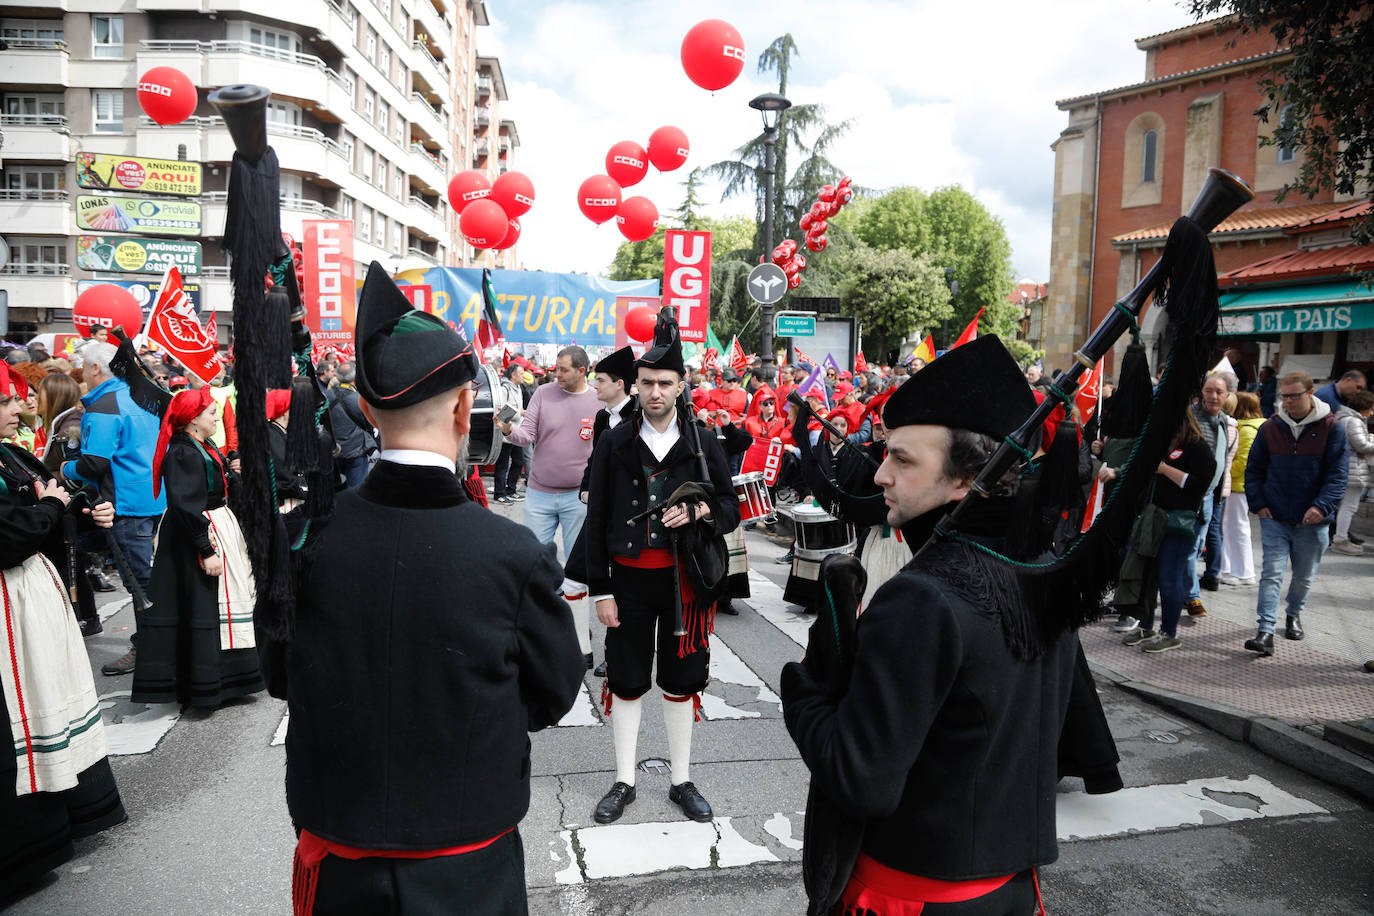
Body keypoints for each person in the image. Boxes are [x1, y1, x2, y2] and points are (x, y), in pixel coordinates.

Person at [281, 263, 584, 915]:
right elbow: (555, 691)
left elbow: (281, 673)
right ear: (461, 406)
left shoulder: (307, 541)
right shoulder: (511, 554)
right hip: (467, 864)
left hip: (339, 854)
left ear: (364, 410)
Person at [781, 336, 1078, 914]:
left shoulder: (922, 596)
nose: (880, 476)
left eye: (904, 459)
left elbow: (859, 777)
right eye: (887, 453)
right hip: (1011, 888)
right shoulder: (1041, 567)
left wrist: (807, 687)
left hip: (911, 894)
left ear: (967, 479)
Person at [584, 313, 739, 826]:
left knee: (680, 680)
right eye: (647, 383)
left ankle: (680, 779)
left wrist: (699, 511)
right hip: (627, 580)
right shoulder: (614, 440)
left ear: (680, 385)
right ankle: (624, 780)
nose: (654, 392)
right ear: (637, 385)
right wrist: (599, 589)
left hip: (684, 584)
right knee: (626, 680)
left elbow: (731, 508)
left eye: (664, 383)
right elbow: (598, 516)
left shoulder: (703, 440)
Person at [0, 364, 128, 902]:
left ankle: (62, 815)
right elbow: (11, 533)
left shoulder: (11, 452)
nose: (18, 408)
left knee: (50, 697)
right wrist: (52, 507)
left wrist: (83, 510)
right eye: (7, 401)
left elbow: (53, 498)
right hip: (8, 602)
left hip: (31, 594)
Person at [131, 388, 263, 709]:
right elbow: (186, 505)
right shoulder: (183, 452)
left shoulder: (201, 445)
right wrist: (205, 549)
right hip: (196, 533)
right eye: (212, 413)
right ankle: (206, 683)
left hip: (214, 524)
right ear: (192, 420)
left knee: (215, 602)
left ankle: (229, 678)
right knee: (202, 603)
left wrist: (233, 476)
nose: (217, 418)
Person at [59, 341, 166, 677]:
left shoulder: (106, 403)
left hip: (125, 505)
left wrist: (64, 470)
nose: (81, 374)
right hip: (152, 497)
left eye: (83, 366)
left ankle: (149, 647)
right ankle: (156, 643)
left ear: (95, 369)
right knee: (145, 577)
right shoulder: (140, 394)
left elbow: (93, 462)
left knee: (140, 581)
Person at [499, 345, 600, 665]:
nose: (556, 374)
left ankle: (579, 632)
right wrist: (507, 430)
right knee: (534, 562)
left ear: (583, 370)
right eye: (556, 368)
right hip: (540, 493)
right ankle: (537, 631)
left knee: (577, 568)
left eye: (564, 370)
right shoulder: (543, 393)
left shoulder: (598, 400)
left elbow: (604, 448)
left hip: (578, 498)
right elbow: (526, 435)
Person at [1243, 371, 1348, 656]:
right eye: (1283, 396)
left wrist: (1321, 507)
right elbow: (1253, 471)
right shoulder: (1270, 427)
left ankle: (1293, 613)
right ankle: (1265, 631)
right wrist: (1259, 503)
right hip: (1275, 515)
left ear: (1310, 394)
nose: (1287, 401)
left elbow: (1338, 476)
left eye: (1293, 395)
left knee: (1303, 576)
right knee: (1271, 574)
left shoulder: (1332, 428)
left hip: (1313, 521)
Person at [1118, 412, 1217, 653]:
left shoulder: (1197, 447)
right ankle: (1147, 626)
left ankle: (1169, 633)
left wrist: (1165, 469)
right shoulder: (1162, 444)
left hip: (1179, 522)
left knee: (1168, 578)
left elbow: (1200, 484)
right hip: (1154, 518)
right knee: (1147, 575)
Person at [1186, 372, 1236, 607]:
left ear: (1227, 395)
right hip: (1188, 494)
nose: (1213, 396)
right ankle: (1192, 596)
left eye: (1219, 392)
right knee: (1189, 548)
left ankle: (1187, 591)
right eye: (1209, 391)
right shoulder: (1190, 419)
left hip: (1210, 497)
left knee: (1195, 548)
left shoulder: (1226, 422)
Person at [1220, 392, 1264, 584]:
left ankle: (1242, 571)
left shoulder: (1246, 430)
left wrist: (1226, 472)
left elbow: (1244, 461)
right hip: (1240, 484)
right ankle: (1231, 568)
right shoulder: (1254, 427)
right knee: (1233, 526)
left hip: (1238, 485)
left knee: (1236, 526)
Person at [1331, 389, 1374, 555]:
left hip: (1345, 466)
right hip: (1353, 468)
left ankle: (1339, 538)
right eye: (1371, 408)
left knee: (1343, 505)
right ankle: (1340, 540)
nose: (1371, 413)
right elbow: (1361, 445)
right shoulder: (1353, 421)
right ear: (1364, 406)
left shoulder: (1344, 418)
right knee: (1349, 506)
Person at [327, 361, 376, 489]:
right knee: (355, 490)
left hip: (332, 451)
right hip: (356, 452)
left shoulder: (325, 397)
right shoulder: (360, 399)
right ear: (356, 377)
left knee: (336, 492)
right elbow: (369, 424)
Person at [492, 363, 530, 504]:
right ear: (513, 375)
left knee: (518, 461)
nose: (523, 376)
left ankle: (511, 489)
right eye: (521, 374)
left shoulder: (519, 388)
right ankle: (499, 494)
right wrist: (518, 412)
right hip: (505, 435)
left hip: (517, 433)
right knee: (502, 465)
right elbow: (501, 413)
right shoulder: (504, 389)